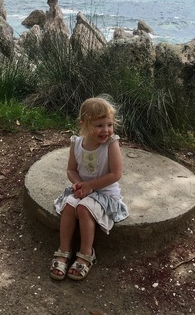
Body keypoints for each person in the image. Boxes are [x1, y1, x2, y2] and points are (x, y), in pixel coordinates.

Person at [50, 96, 129, 281]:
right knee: (70, 205)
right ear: (84, 124)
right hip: (83, 190)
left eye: (109, 124)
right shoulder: (76, 143)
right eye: (99, 125)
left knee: (84, 208)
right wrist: (78, 184)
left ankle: (86, 253)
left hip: (105, 194)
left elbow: (116, 174)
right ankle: (64, 249)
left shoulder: (111, 144)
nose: (106, 130)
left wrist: (90, 186)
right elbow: (71, 169)